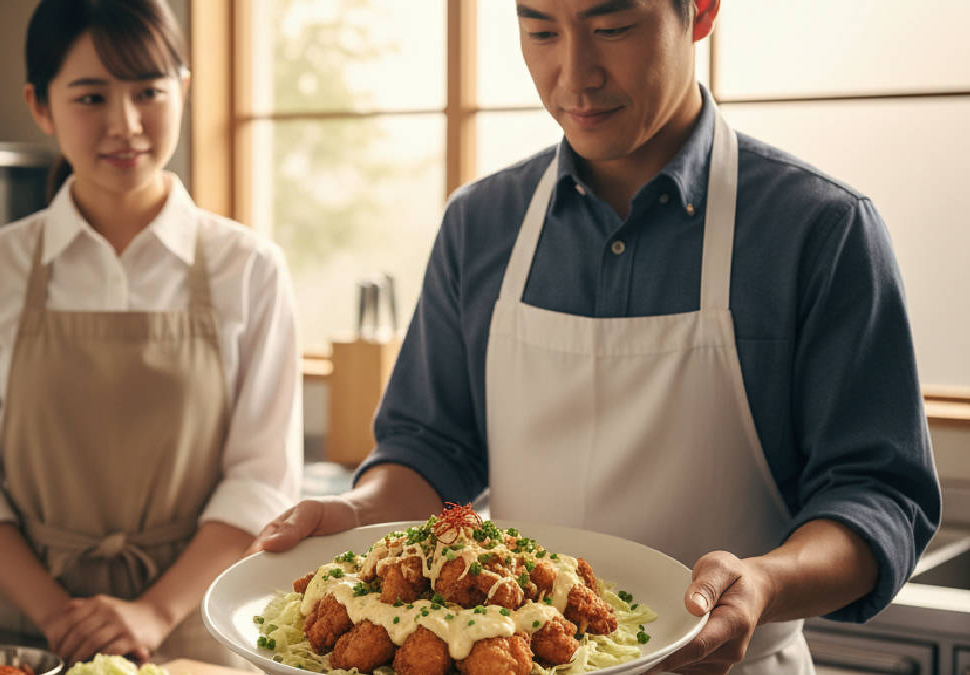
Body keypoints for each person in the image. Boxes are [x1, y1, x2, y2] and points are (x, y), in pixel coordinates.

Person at [252, 1, 941, 673]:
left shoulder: (819, 230)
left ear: (700, 12)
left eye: (611, 27)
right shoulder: (480, 225)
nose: (574, 74)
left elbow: (877, 493)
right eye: (541, 29)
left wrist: (767, 581)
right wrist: (357, 515)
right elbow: (431, 448)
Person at [0, 0, 300, 668]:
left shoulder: (251, 268)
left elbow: (262, 482)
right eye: (91, 97)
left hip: (192, 625)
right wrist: (61, 617)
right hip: (23, 632)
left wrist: (152, 612)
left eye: (148, 92)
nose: (125, 125)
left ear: (183, 89)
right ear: (41, 106)